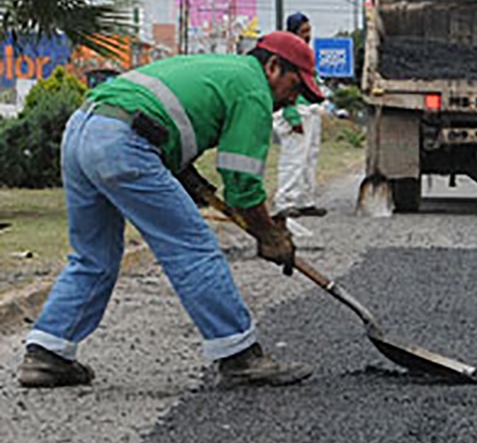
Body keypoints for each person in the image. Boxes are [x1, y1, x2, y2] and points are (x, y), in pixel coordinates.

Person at [18, 32, 324, 390]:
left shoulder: (220, 67)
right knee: (193, 248)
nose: (292, 99)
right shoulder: (254, 89)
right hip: (123, 141)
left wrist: (187, 175)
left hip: (83, 131)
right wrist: (269, 234)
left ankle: (47, 353)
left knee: (93, 255)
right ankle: (239, 356)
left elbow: (170, 116)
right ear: (273, 66)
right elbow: (242, 184)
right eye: (294, 86)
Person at [273, 12, 327, 218]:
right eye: (304, 31)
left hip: (310, 111)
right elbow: (283, 87)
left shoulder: (305, 54)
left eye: (309, 31)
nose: (308, 35)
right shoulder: (287, 55)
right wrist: (291, 115)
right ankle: (284, 201)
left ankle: (305, 200)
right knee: (294, 159)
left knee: (309, 158)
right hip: (295, 112)